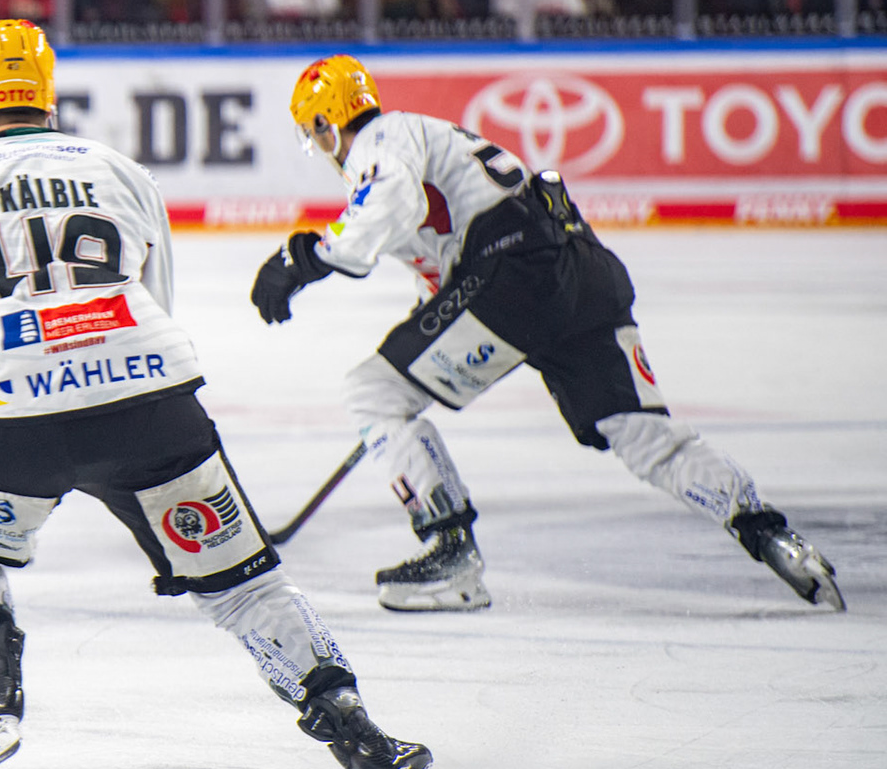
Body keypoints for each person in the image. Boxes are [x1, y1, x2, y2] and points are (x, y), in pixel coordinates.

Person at [0, 20, 443, 769]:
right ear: (47, 95)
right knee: (243, 584)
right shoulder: (122, 171)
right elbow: (153, 297)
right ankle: (354, 725)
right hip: (152, 399)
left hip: (13, 410)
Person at [249, 55, 846, 615]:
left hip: (515, 276)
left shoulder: (382, 140)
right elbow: (439, 280)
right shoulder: (434, 143)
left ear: (328, 127)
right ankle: (767, 530)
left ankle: (452, 553)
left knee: (375, 395)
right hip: (579, 270)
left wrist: (305, 257)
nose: (325, 149)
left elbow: (383, 209)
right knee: (640, 432)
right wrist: (412, 344)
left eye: (319, 135)